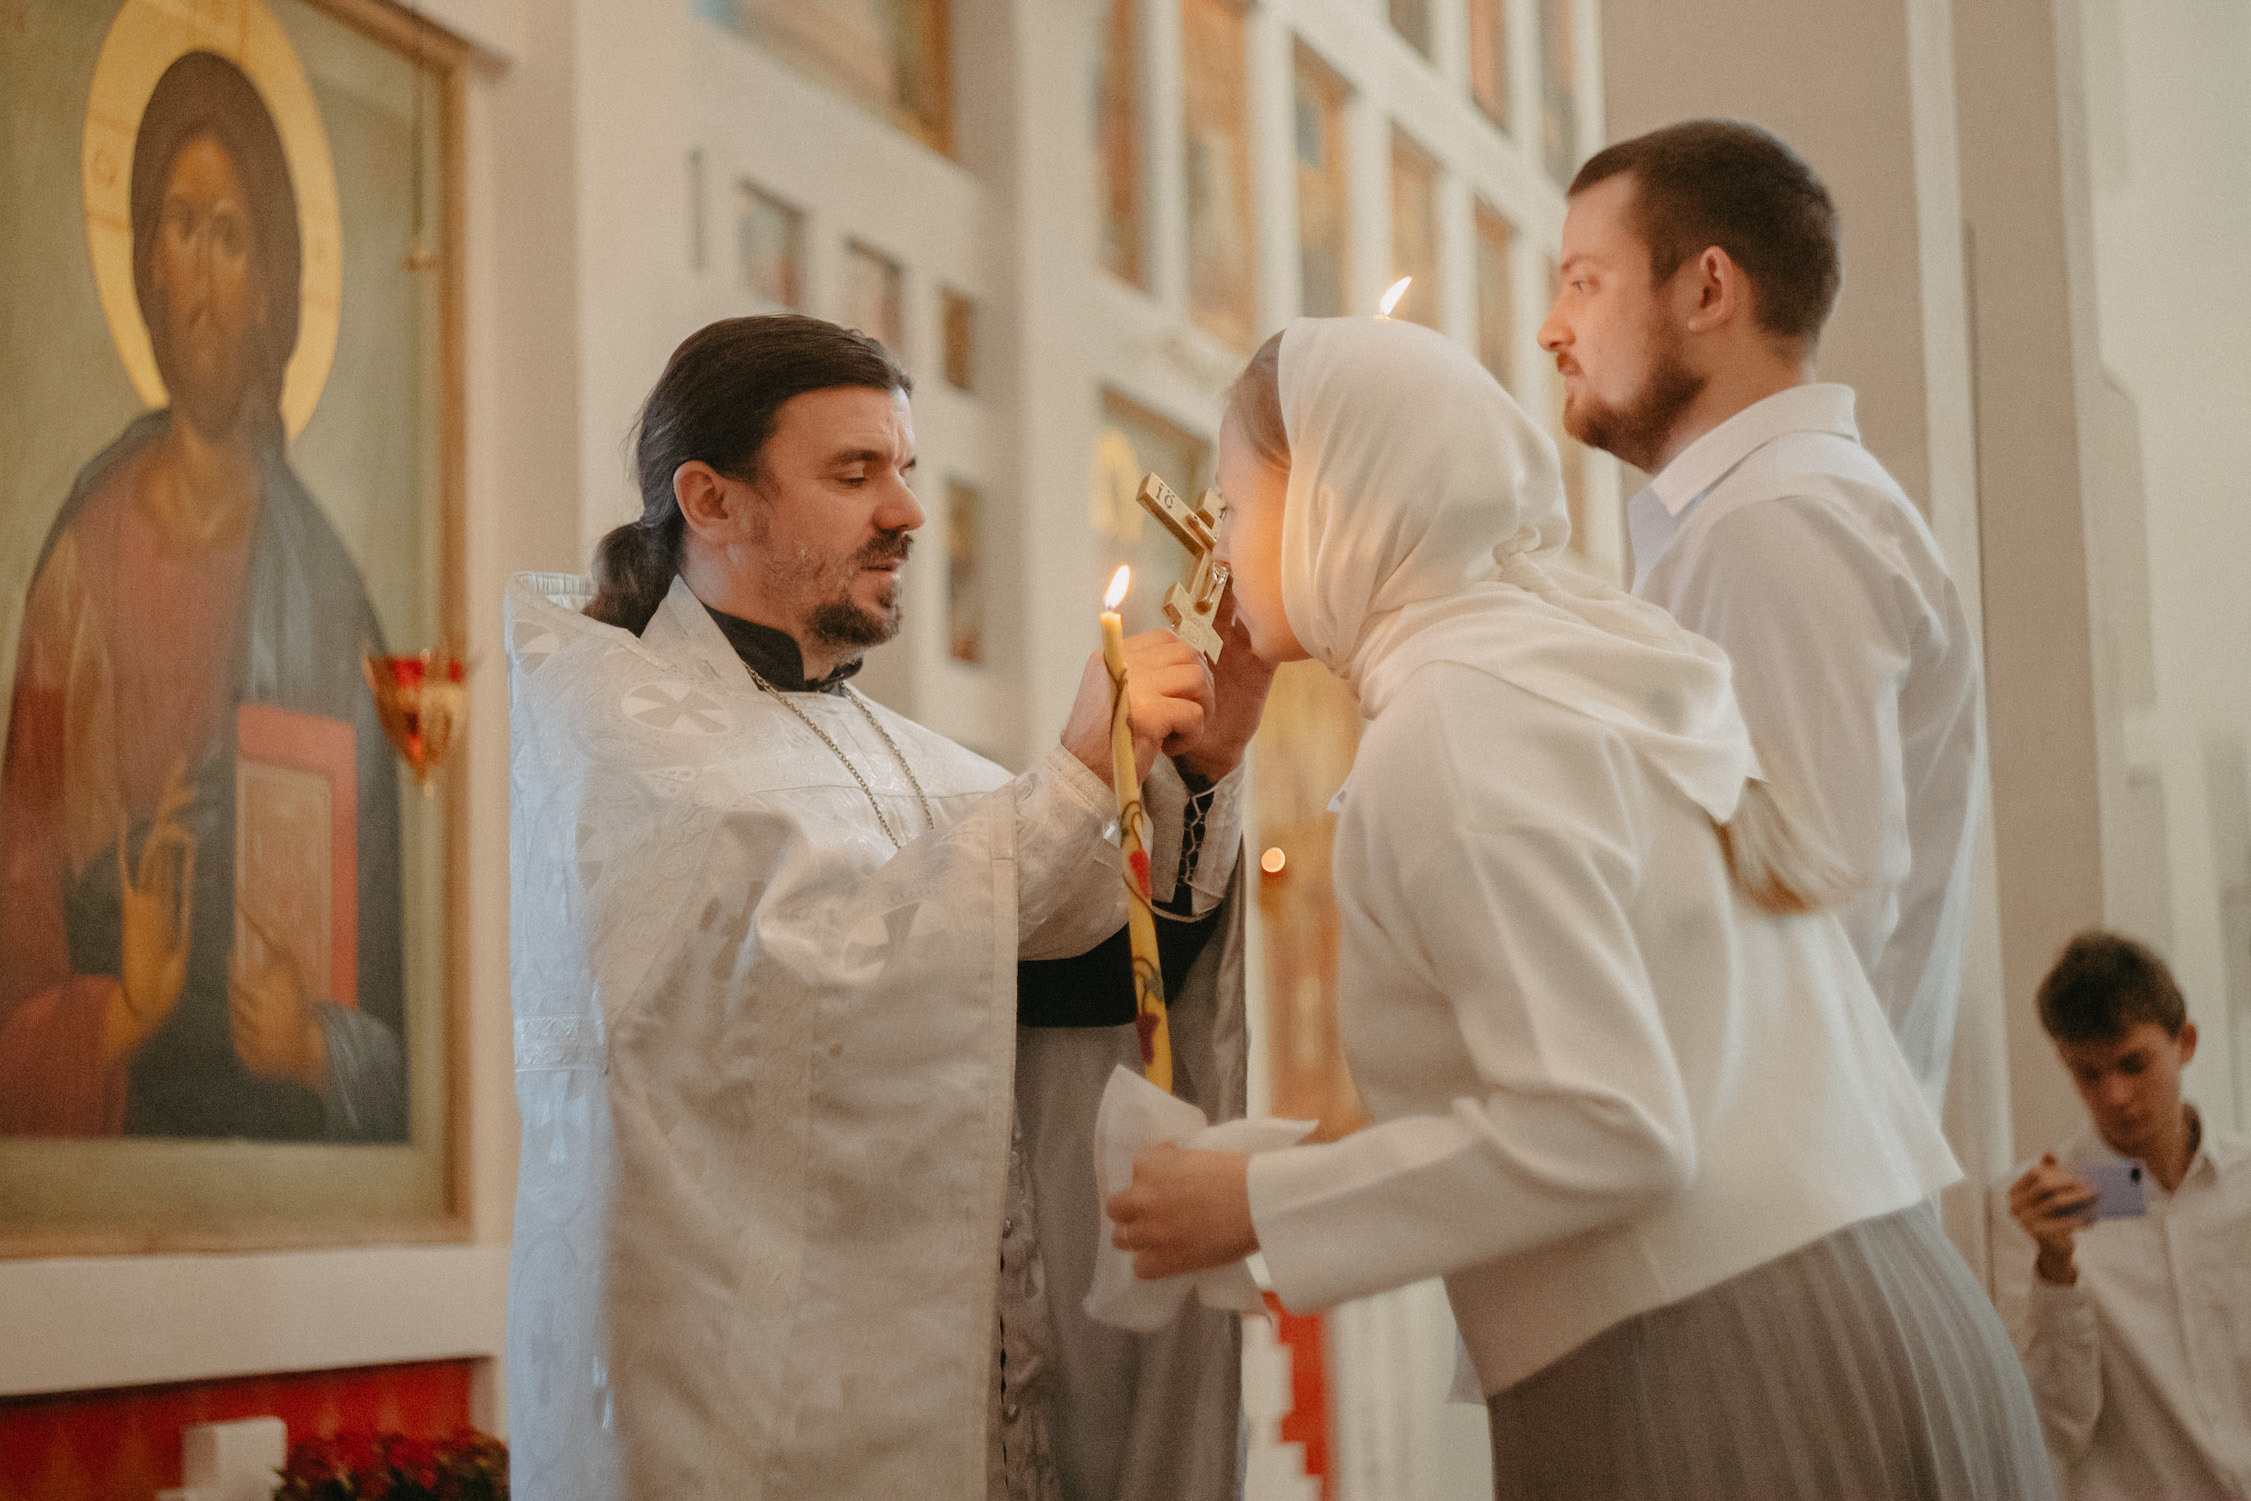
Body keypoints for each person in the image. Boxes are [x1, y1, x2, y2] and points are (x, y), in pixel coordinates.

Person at [1105, 316, 2054, 1500]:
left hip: (1720, 1371)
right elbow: (1657, 1085)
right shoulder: (1571, 663)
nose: (1221, 549)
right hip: (1879, 1305)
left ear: (1334, 499)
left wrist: (1259, 1199)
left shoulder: (1450, 723)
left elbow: (1608, 1126)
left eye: (1234, 504)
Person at [505, 314, 1273, 1500]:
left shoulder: (916, 763)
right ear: (710, 500)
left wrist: (1201, 774)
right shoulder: (624, 740)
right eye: (854, 472)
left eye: (904, 468)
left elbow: (1065, 991)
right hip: (756, 1436)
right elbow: (815, 991)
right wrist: (1075, 769)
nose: (908, 510)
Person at [1537, 119, 1985, 1112]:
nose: (1550, 328)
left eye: (1582, 280)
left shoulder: (1767, 528)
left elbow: (1808, 922)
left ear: (1706, 290)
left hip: (1777, 1190)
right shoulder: (1776, 513)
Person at [0, 51, 405, 1141]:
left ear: (271, 288)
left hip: (270, 1120)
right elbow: (21, 881)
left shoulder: (328, 598)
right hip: (123, 1103)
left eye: (234, 237)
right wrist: (117, 1009)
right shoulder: (83, 558)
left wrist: (318, 1046)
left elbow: (403, 977)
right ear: (148, 263)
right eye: (182, 225)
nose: (207, 273)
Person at [1999, 932, 2251, 1498]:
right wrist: (2055, 1266)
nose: (2114, 1095)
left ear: (2184, 1043)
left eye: (2133, 1064)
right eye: (2088, 1073)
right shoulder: (2035, 1212)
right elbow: (2049, 1432)